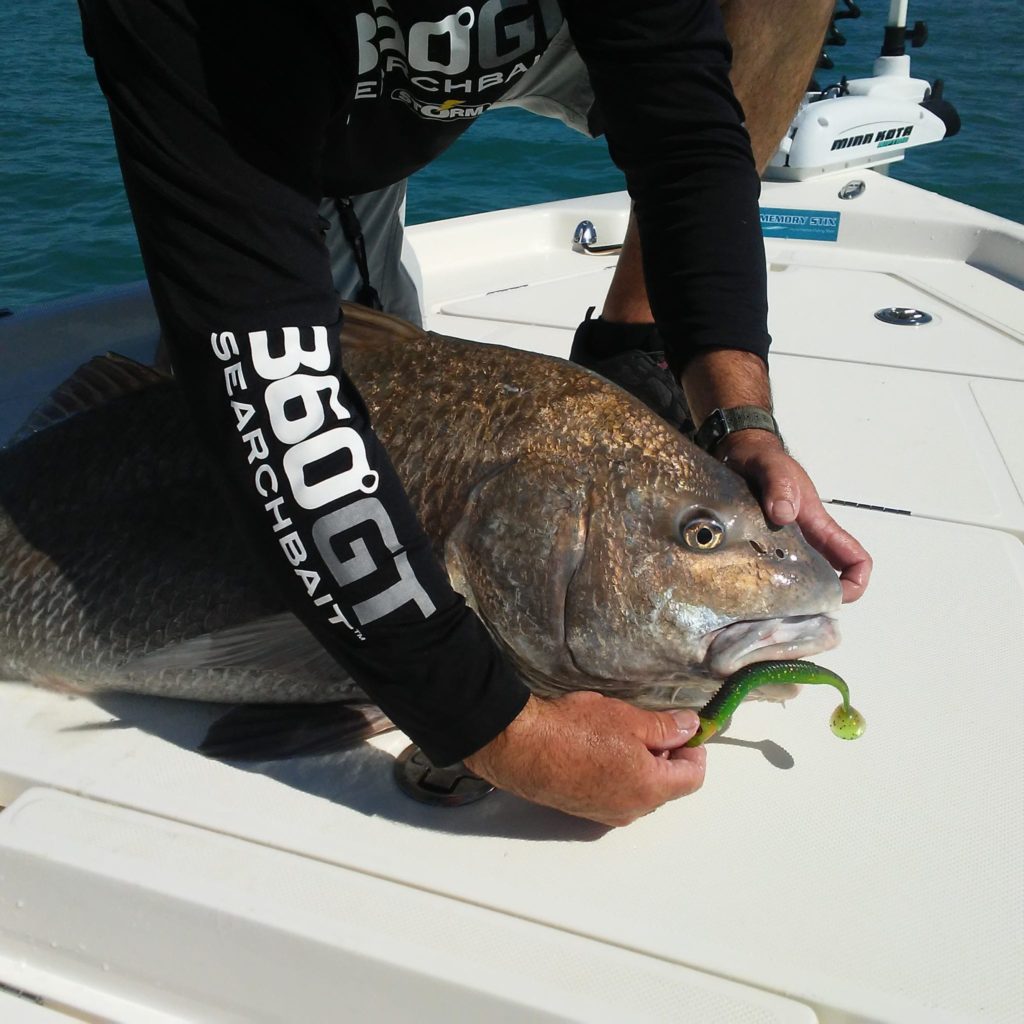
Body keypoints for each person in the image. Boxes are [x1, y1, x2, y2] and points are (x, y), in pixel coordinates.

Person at [77, 0, 871, 828]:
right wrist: (500, 731)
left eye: (700, 536)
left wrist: (742, 418)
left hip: (535, 30)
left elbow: (687, 141)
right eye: (700, 536)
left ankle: (640, 346)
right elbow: (277, 379)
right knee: (271, 403)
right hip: (295, 87)